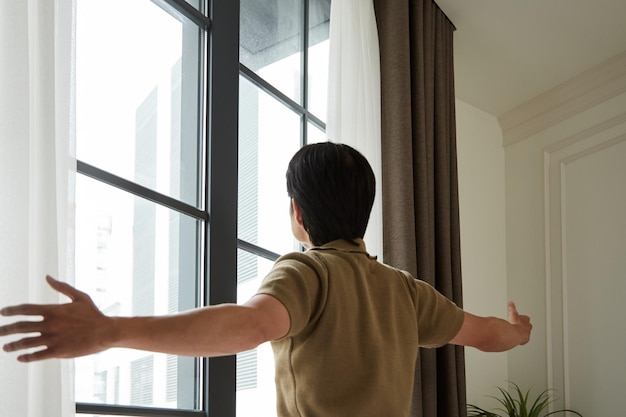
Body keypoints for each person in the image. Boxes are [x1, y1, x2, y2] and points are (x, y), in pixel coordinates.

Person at [0, 142, 531, 416]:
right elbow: (486, 333)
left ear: (298, 214)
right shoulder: (406, 290)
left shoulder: (307, 271)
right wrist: (520, 330)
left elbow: (249, 324)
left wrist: (110, 331)